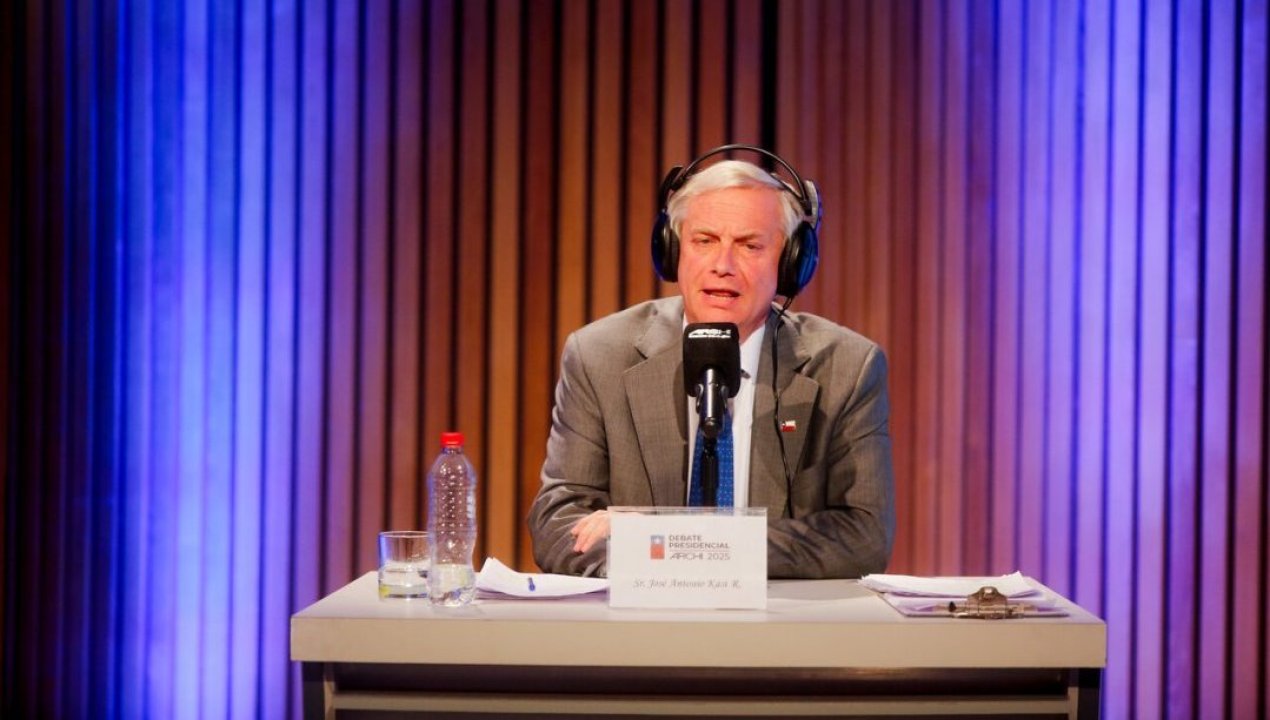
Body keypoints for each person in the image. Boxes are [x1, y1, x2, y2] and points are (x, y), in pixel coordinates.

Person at [527, 145, 895, 578]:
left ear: (791, 261)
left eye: (750, 245)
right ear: (673, 251)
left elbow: (864, 536)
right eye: (704, 241)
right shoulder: (599, 355)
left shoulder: (847, 368)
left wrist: (669, 540)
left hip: (779, 618)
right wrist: (665, 564)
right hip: (640, 616)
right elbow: (557, 523)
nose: (723, 265)